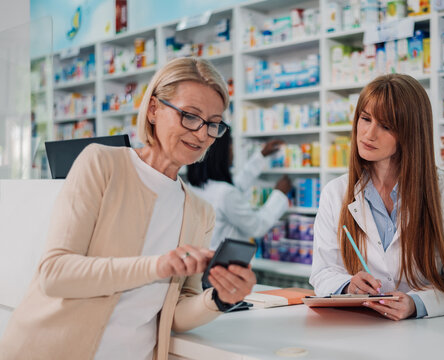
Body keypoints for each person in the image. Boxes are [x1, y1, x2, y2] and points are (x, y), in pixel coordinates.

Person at [0, 57, 256, 360]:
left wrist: (218, 299)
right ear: (153, 109)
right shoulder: (101, 163)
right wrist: (158, 266)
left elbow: (174, 312)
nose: (202, 134)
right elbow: (56, 274)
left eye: (213, 123)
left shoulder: (201, 211)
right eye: (190, 116)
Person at [310, 74, 444, 320]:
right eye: (365, 119)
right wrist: (349, 285)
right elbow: (322, 271)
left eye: (386, 126)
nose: (369, 134)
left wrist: (417, 303)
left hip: (437, 332)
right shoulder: (335, 193)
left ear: (410, 133)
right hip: (368, 328)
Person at [187, 131, 292, 249]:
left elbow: (235, 188)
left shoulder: (194, 187)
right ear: (221, 153)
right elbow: (257, 226)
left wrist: (261, 156)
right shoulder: (225, 194)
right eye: (231, 146)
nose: (233, 151)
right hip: (224, 263)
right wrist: (279, 195)